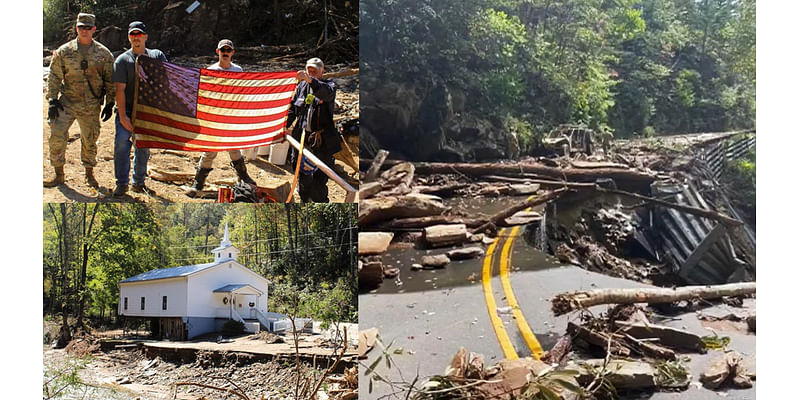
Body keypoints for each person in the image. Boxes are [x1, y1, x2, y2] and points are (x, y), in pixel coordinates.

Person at [44, 13, 115, 188]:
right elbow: (54, 76)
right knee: (56, 136)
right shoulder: (64, 52)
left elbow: (110, 80)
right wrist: (52, 99)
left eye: (88, 27)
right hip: (67, 103)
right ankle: (58, 174)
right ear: (76, 28)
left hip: (90, 106)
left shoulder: (104, 54)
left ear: (94, 29)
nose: (84, 30)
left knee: (90, 139)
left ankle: (89, 174)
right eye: (81, 27)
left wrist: (110, 102)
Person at [186, 39, 256, 197]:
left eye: (228, 50)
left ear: (232, 53)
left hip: (231, 116)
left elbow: (242, 93)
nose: (225, 53)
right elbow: (203, 95)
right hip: (214, 117)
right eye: (222, 50)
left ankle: (244, 177)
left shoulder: (238, 70)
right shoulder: (210, 70)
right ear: (217, 52)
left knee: (234, 148)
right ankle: (198, 183)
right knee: (210, 151)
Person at [111, 21, 167, 196]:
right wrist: (123, 117)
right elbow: (119, 90)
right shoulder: (122, 60)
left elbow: (168, 80)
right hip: (126, 109)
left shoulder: (157, 56)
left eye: (139, 34)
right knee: (122, 142)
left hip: (147, 111)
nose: (136, 38)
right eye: (133, 35)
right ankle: (121, 183)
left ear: (146, 37)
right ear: (129, 37)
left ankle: (139, 182)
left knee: (143, 147)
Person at [285, 57, 341, 202]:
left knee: (320, 180)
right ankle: (305, 199)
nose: (311, 72)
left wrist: (311, 81)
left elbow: (326, 93)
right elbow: (292, 110)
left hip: (321, 141)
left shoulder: (329, 86)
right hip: (302, 137)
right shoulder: (301, 88)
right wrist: (283, 126)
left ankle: (319, 201)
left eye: (315, 70)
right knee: (301, 176)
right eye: (309, 69)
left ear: (322, 71)